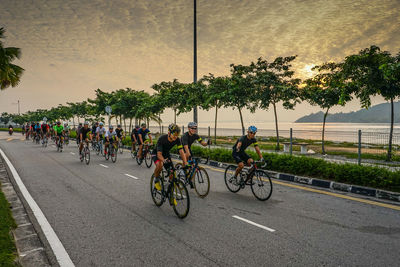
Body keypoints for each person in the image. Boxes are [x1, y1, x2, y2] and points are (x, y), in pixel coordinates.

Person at [151, 123, 187, 191]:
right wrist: (163, 160)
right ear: (169, 133)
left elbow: (181, 151)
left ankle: (169, 190)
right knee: (160, 164)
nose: (176, 137)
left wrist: (185, 163)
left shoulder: (177, 139)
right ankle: (156, 180)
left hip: (166, 154)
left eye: (177, 135)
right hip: (156, 154)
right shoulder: (162, 139)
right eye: (174, 134)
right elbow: (159, 154)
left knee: (172, 172)